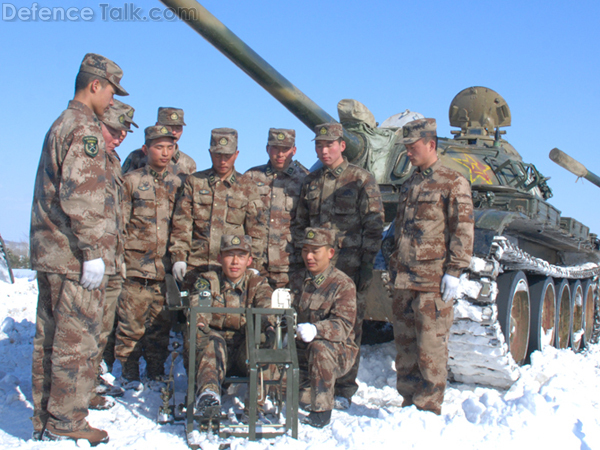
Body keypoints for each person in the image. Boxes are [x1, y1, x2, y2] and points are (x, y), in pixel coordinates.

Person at [30, 52, 128, 445]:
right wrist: (92, 253)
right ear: (94, 85)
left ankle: (45, 418)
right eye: (111, 92)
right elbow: (82, 197)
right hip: (73, 258)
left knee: (50, 340)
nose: (112, 101)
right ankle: (67, 422)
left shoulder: (62, 122)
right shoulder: (84, 128)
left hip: (53, 254)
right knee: (76, 341)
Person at [292, 122, 384, 408]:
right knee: (311, 319)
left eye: (330, 145)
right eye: (319, 145)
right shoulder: (312, 181)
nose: (324, 150)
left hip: (349, 266)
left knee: (350, 326)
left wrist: (367, 264)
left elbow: (374, 224)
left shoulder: (361, 179)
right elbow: (300, 223)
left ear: (342, 146)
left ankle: (344, 388)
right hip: (316, 269)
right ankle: (312, 383)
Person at [390, 118, 474, 415]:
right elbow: (400, 230)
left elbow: (462, 228)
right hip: (404, 278)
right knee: (406, 346)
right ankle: (409, 399)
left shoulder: (452, 181)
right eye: (406, 147)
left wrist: (454, 271)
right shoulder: (410, 183)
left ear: (430, 144)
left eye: (413, 147)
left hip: (432, 280)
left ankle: (427, 405)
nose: (408, 152)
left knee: (430, 346)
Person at [113, 126, 184, 389]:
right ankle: (129, 373)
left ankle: (155, 372)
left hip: (164, 272)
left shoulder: (179, 184)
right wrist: (118, 258)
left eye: (169, 147)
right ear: (146, 149)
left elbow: (181, 225)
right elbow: (120, 223)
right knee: (130, 326)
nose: (164, 152)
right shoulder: (130, 182)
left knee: (159, 327)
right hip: (135, 269)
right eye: (158, 147)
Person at [169, 128, 266, 284]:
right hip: (197, 266)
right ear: (210, 153)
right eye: (217, 155)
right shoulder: (195, 182)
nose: (222, 161)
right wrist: (179, 257)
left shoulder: (248, 187)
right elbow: (182, 224)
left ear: (236, 154)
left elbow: (256, 231)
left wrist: (254, 264)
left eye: (227, 156)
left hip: (233, 272)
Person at [192, 235, 275, 415]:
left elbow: (266, 306)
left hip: (245, 351)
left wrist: (268, 325)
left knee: (260, 340)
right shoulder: (207, 280)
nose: (235, 261)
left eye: (241, 256)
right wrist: (200, 321)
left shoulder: (257, 283)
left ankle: (256, 405)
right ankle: (209, 395)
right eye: (229, 255)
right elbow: (198, 306)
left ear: (249, 260)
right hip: (215, 352)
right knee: (210, 340)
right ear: (220, 258)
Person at [87, 100, 136, 408]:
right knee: (86, 325)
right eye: (114, 130)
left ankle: (90, 379)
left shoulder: (113, 160)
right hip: (93, 258)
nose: (119, 137)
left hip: (111, 258)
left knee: (102, 325)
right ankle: (80, 386)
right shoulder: (90, 156)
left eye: (123, 132)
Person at [290, 227, 358, 428]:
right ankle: (305, 391)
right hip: (301, 351)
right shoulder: (297, 280)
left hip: (336, 351)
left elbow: (343, 325)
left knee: (319, 347)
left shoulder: (343, 284)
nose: (308, 256)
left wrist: (316, 330)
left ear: (330, 253)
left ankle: (321, 410)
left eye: (315, 251)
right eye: (305, 250)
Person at [245, 128, 308, 288]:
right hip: (256, 262)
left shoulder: (306, 180)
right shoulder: (251, 177)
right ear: (267, 149)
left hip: (290, 264)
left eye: (285, 149)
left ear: (293, 151)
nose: (280, 154)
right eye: (275, 148)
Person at [122, 107, 196, 178]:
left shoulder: (188, 163)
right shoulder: (137, 156)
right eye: (168, 127)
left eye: (178, 128)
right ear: (157, 125)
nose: (173, 132)